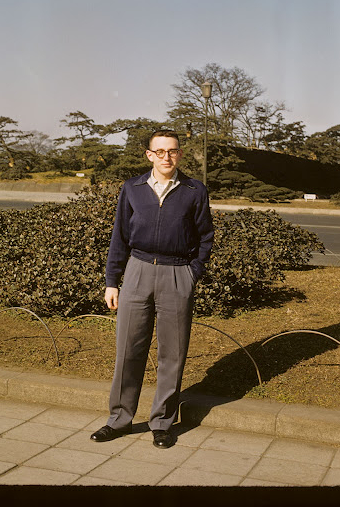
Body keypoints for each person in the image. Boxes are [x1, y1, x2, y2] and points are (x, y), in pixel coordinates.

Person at [90, 130, 214, 449]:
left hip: (177, 273)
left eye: (172, 151)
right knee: (128, 349)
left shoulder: (194, 190)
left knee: (172, 353)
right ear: (149, 155)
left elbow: (205, 237)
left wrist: (191, 274)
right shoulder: (132, 188)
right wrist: (111, 281)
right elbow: (119, 236)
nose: (166, 157)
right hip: (137, 270)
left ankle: (162, 422)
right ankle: (119, 419)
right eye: (160, 152)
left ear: (180, 154)